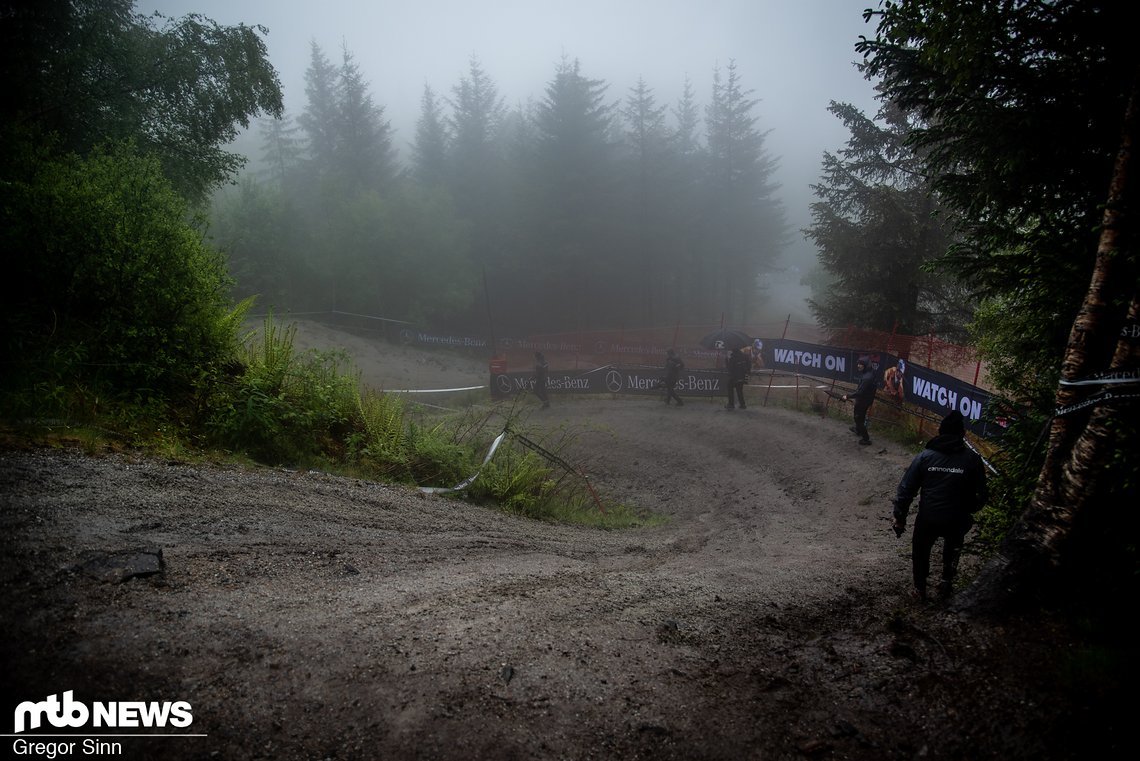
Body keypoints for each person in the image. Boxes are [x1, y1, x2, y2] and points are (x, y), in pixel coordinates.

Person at [890, 410, 988, 600]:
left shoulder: (925, 456)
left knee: (920, 549)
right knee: (954, 546)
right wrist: (970, 509)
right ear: (962, 434)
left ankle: (919, 588)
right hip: (957, 517)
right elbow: (982, 494)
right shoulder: (972, 459)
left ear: (940, 432)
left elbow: (906, 490)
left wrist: (899, 517)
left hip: (929, 517)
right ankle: (946, 582)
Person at [842, 357, 876, 445]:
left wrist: (847, 396)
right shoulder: (869, 373)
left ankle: (866, 439)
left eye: (860, 364)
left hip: (863, 401)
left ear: (865, 366)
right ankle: (858, 430)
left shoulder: (867, 378)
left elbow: (860, 392)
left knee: (858, 419)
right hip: (865, 400)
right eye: (858, 364)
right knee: (861, 417)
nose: (858, 366)